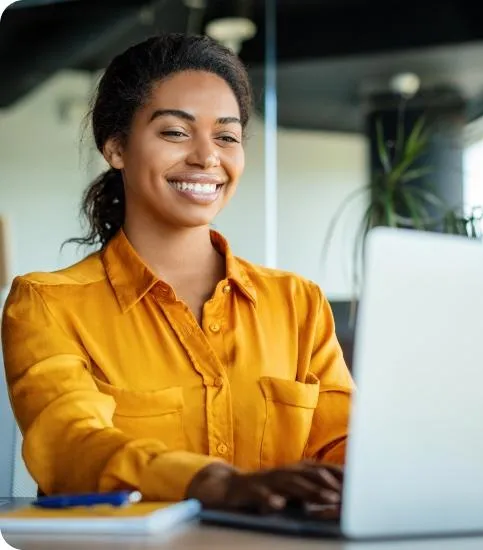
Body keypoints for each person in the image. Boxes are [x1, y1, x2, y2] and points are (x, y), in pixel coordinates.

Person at [1, 34, 353, 512]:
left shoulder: (297, 303)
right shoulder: (46, 304)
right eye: (175, 132)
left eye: (226, 136)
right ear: (116, 147)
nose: (208, 157)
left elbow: (346, 445)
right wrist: (213, 483)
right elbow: (70, 445)